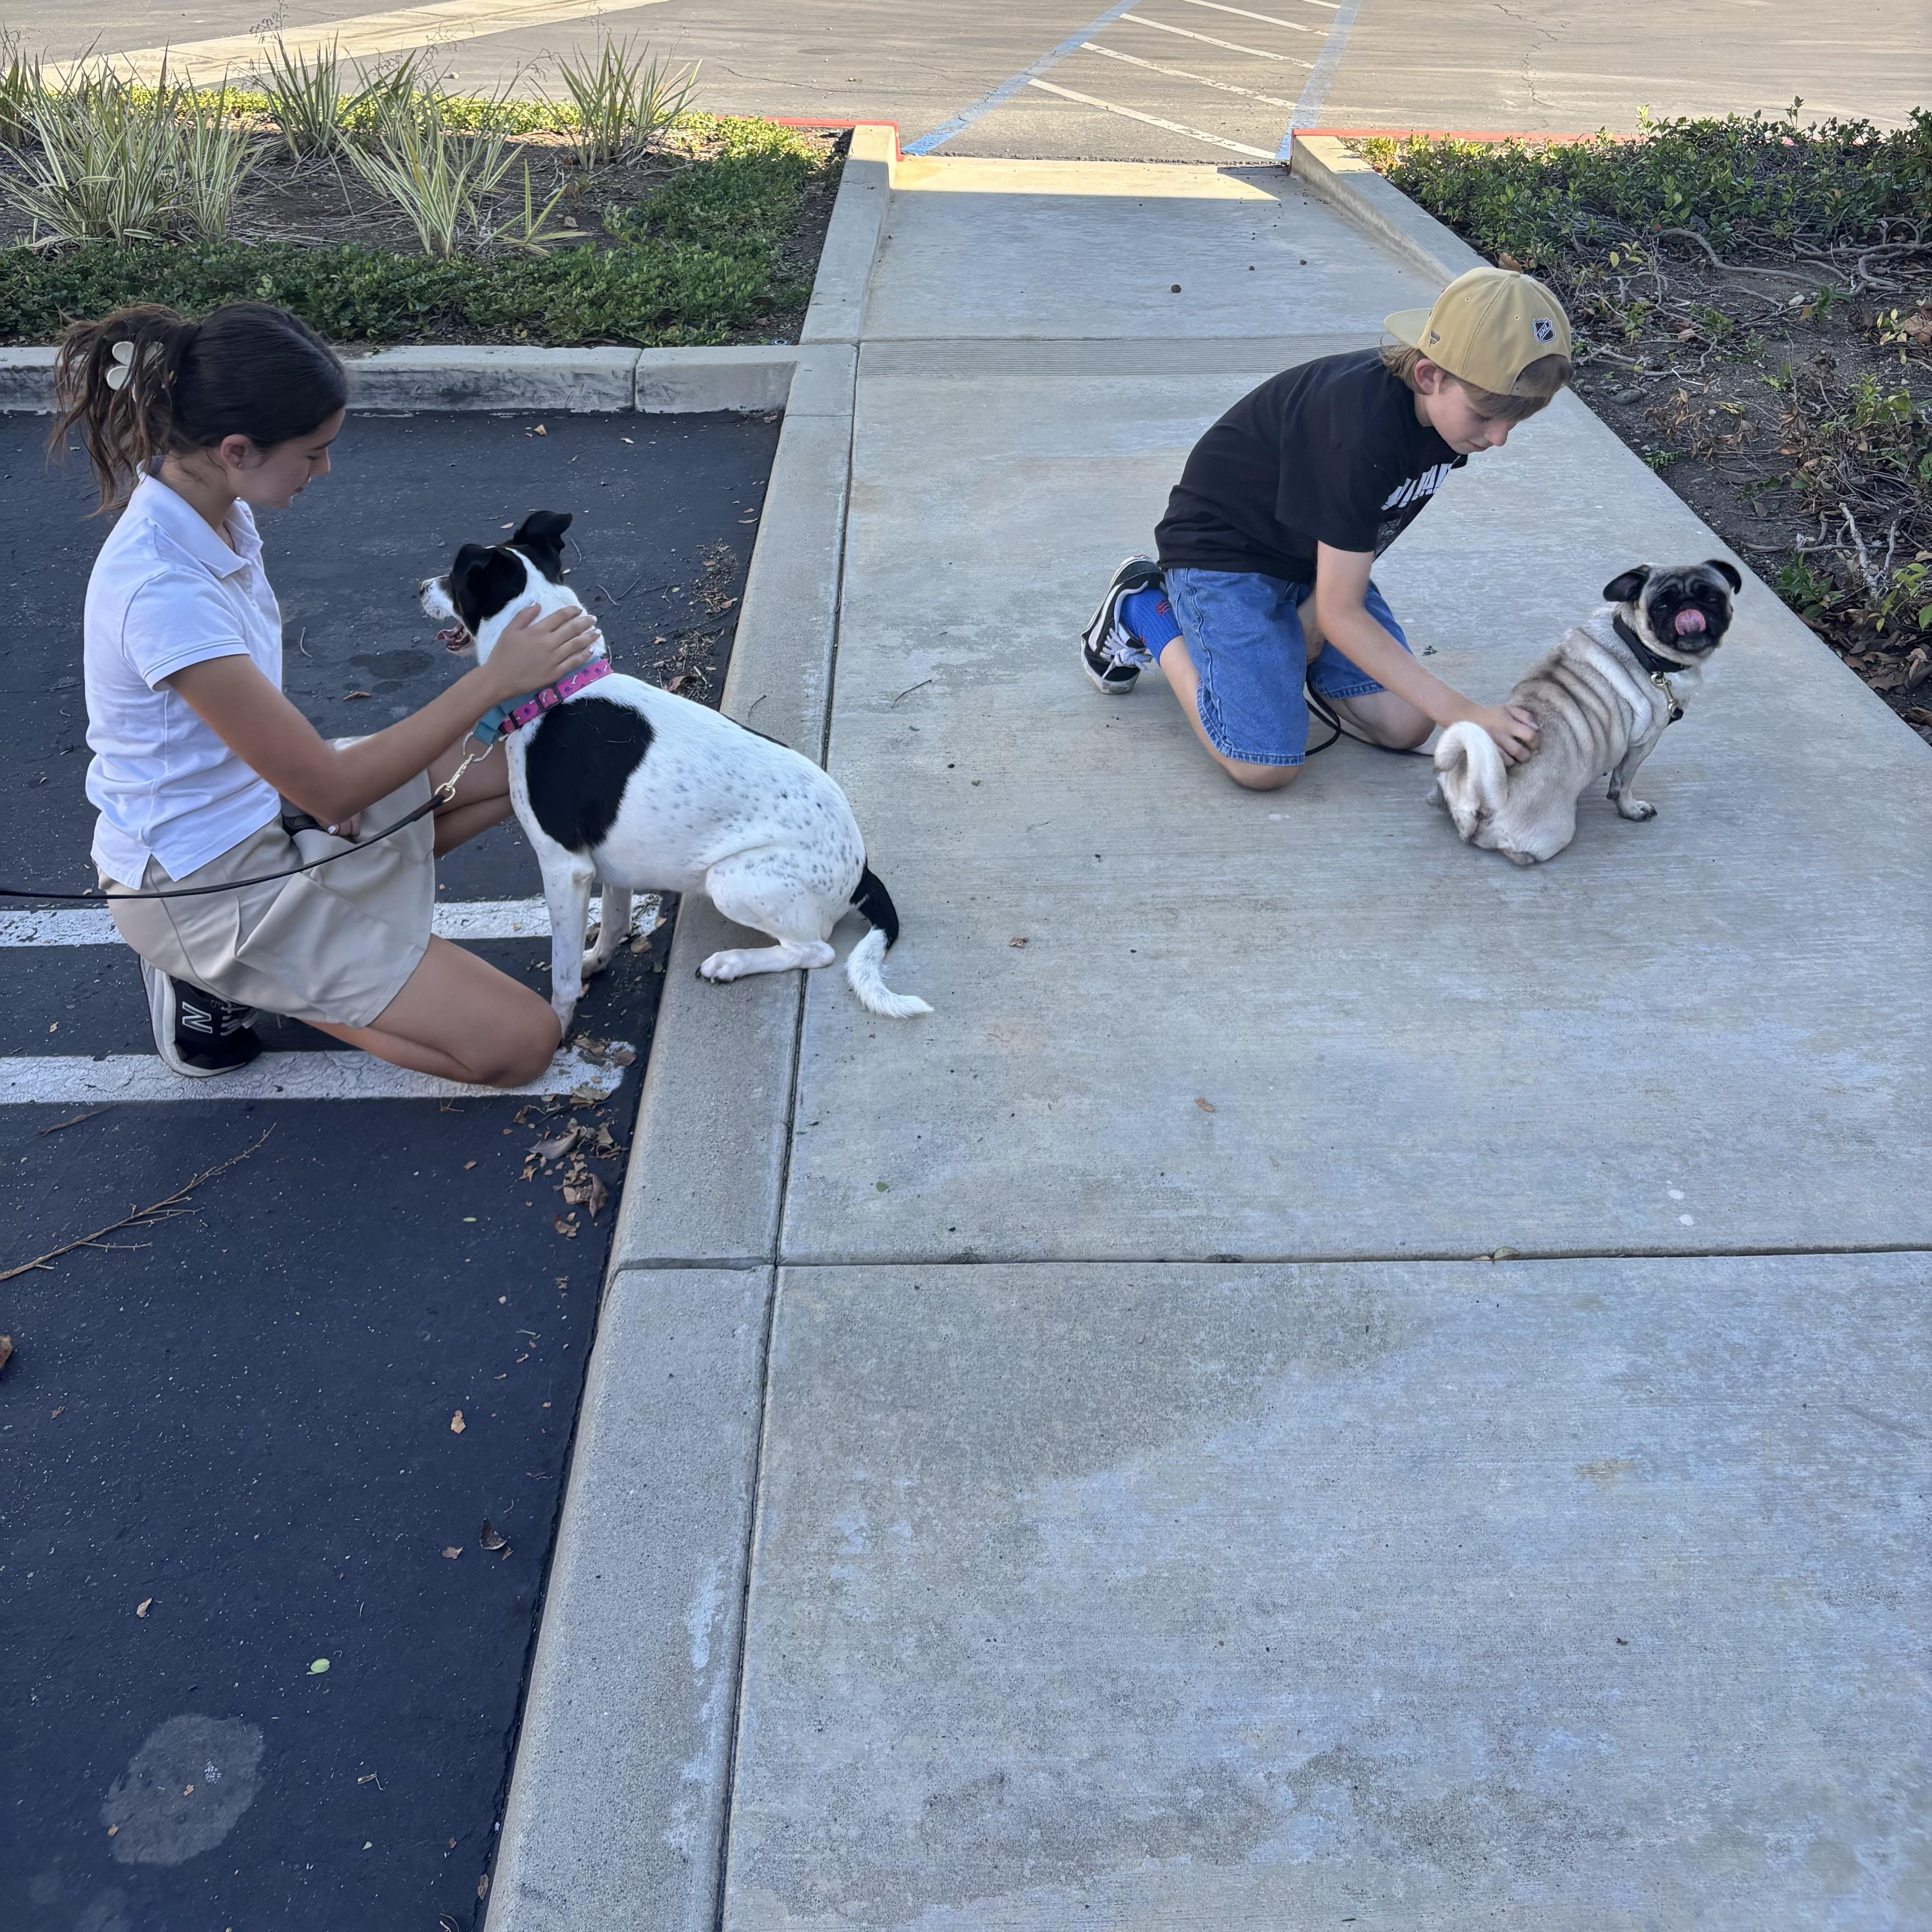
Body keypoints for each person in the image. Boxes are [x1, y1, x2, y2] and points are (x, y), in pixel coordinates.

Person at [64, 301, 601, 1085]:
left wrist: (316, 788)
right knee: (521, 1043)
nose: (324, 470)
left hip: (265, 811)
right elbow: (328, 783)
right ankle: (225, 975)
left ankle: (324, 940)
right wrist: (497, 677)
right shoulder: (161, 590)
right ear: (236, 449)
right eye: (313, 452)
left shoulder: (214, 510)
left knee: (514, 767)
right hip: (204, 885)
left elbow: (297, 768)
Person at [1080, 266, 1574, 788]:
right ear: (1431, 376)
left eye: (1516, 421)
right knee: (1262, 763)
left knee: (1407, 725)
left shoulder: (1451, 425)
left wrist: (1314, 621)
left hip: (1310, 555)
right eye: (1486, 416)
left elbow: (1369, 531)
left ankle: (1275, 655)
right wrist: (1467, 712)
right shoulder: (1359, 433)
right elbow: (1345, 612)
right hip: (1225, 557)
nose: (1499, 438)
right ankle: (1144, 607)